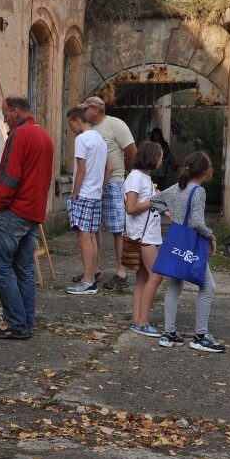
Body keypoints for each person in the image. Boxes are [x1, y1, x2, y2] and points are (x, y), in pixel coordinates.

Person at [0, 94, 54, 339]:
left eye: (5, 114)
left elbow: (9, 177)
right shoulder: (44, 135)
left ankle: (15, 323)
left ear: (16, 112)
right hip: (33, 213)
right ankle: (26, 322)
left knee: (0, 268)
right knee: (25, 269)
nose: (4, 120)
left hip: (14, 212)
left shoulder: (19, 134)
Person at [150, 151, 225, 353]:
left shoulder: (177, 188)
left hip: (176, 241)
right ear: (207, 171)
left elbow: (155, 201)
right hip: (191, 244)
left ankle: (169, 334)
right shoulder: (198, 191)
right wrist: (210, 235)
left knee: (175, 283)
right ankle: (200, 336)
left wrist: (171, 216)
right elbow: (196, 222)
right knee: (208, 287)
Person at [76, 96, 137, 290]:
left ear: (95, 109)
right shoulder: (89, 129)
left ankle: (121, 272)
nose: (83, 112)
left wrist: (124, 171)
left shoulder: (116, 125)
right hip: (93, 185)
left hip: (112, 182)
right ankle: (93, 271)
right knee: (93, 228)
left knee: (117, 228)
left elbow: (131, 151)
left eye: (86, 109)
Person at [65, 107, 109, 295]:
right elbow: (109, 167)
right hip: (95, 193)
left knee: (83, 237)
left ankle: (88, 280)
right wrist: (101, 186)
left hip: (84, 193)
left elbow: (81, 170)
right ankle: (90, 279)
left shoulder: (81, 139)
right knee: (90, 236)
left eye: (70, 124)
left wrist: (74, 195)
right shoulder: (100, 139)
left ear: (77, 120)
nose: (71, 128)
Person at [124, 141, 164, 336]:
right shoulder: (136, 178)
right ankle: (142, 321)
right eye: (160, 156)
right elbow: (130, 208)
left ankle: (136, 320)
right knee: (156, 275)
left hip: (147, 233)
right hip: (143, 235)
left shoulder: (144, 178)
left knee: (143, 278)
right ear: (151, 157)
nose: (161, 160)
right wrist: (152, 201)